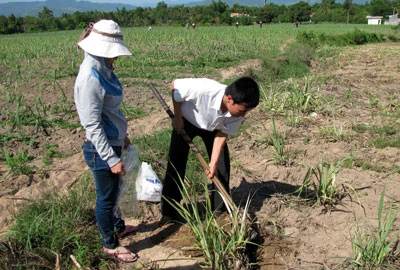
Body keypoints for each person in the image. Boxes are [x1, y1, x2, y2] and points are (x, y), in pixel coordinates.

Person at [74, 19, 138, 263]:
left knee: (115, 191)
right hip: (99, 149)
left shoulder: (103, 70)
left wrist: (123, 137)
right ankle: (109, 245)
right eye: (113, 55)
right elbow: (92, 124)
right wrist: (111, 158)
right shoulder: (90, 78)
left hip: (112, 142)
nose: (116, 59)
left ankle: (118, 226)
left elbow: (110, 113)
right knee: (106, 197)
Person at [161, 77, 260, 224]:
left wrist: (212, 163)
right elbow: (175, 85)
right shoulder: (204, 89)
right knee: (176, 164)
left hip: (214, 129)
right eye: (242, 110)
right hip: (187, 121)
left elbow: (221, 135)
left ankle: (220, 212)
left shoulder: (237, 113)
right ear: (230, 99)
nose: (243, 115)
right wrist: (178, 117)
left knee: (221, 168)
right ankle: (169, 213)